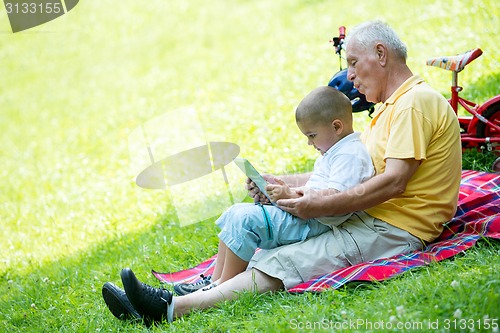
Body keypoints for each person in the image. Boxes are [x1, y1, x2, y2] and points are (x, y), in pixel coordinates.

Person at [101, 20, 462, 325]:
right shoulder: (389, 108)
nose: (349, 74)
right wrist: (282, 184)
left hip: (396, 228)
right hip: (366, 217)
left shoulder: (414, 104)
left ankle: (166, 310)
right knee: (261, 246)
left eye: (354, 62)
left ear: (381, 54)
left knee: (285, 262)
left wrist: (317, 205)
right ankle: (177, 294)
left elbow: (394, 181)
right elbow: (350, 170)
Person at [172, 86, 374, 295]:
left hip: (315, 222)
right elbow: (318, 185)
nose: (309, 142)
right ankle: (215, 279)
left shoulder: (349, 155)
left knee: (244, 219)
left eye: (312, 135)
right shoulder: (335, 150)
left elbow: (335, 198)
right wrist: (277, 190)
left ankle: (222, 285)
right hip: (307, 214)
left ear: (337, 127)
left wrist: (290, 195)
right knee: (234, 213)